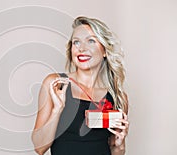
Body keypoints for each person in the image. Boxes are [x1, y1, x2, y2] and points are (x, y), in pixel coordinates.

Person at [31, 16, 129, 155]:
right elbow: (39, 148)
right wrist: (57, 110)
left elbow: (115, 150)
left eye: (91, 41)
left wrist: (120, 144)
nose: (82, 48)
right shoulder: (56, 85)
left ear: (105, 51)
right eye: (76, 42)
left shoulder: (118, 97)